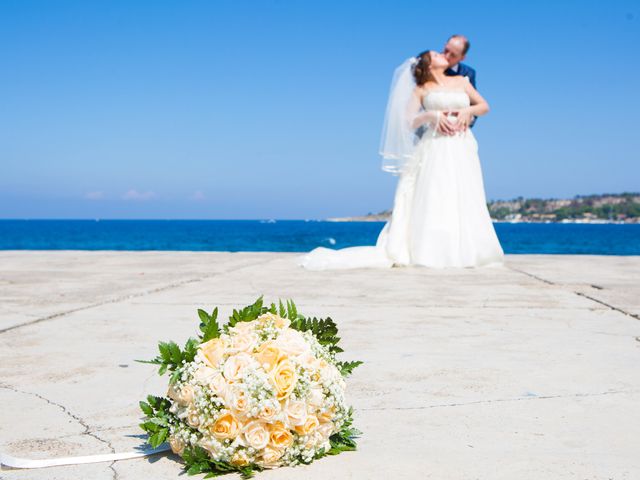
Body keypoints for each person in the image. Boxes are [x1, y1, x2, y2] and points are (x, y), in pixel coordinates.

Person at [298, 50, 504, 270]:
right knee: (436, 193)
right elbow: (407, 121)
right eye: (436, 54)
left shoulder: (462, 82)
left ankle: (470, 251)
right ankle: (435, 250)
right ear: (428, 64)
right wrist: (431, 115)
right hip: (434, 144)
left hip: (462, 144)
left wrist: (468, 111)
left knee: (465, 192)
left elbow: (485, 106)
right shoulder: (421, 89)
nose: (443, 54)